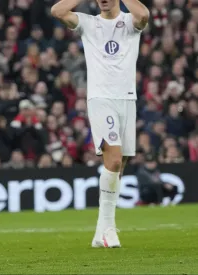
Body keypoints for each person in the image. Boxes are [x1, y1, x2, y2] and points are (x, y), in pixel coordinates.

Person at [51, 0, 149, 248]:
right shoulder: (88, 23)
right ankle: (107, 230)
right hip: (100, 98)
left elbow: (144, 15)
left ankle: (102, 231)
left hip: (127, 99)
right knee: (113, 160)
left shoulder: (129, 22)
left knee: (120, 165)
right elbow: (57, 11)